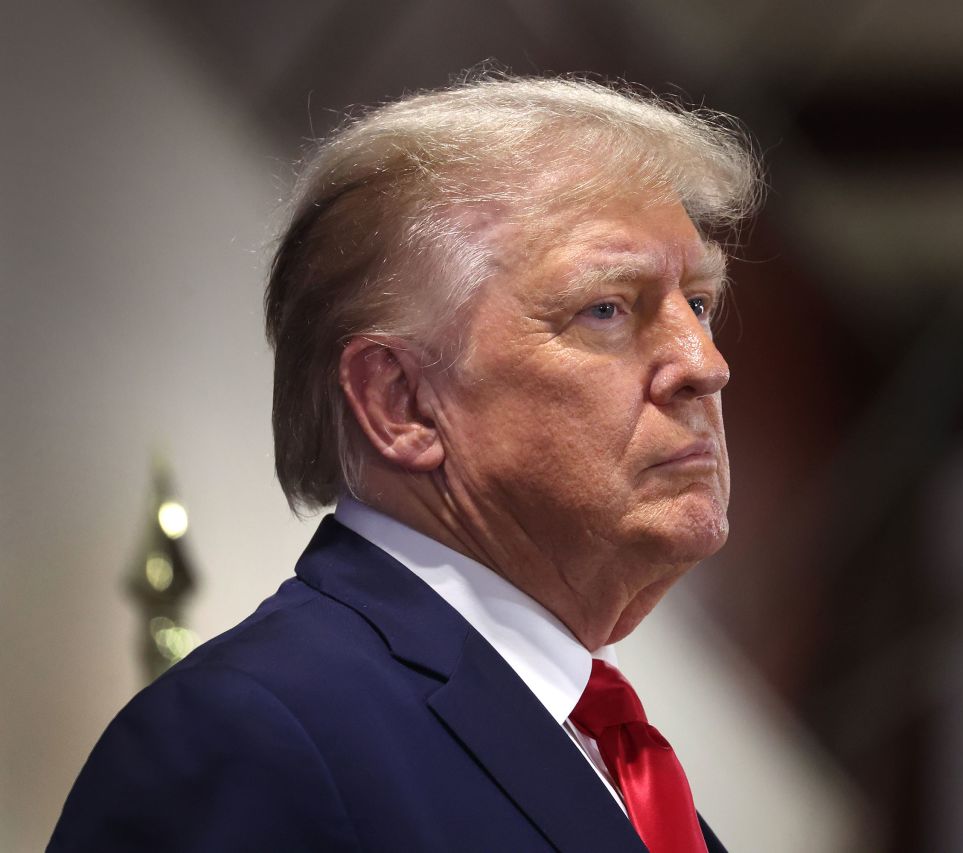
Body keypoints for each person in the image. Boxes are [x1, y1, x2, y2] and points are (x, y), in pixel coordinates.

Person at [48, 74, 761, 852]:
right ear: (402, 403)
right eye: (606, 308)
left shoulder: (627, 771)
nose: (705, 363)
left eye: (698, 302)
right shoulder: (249, 737)